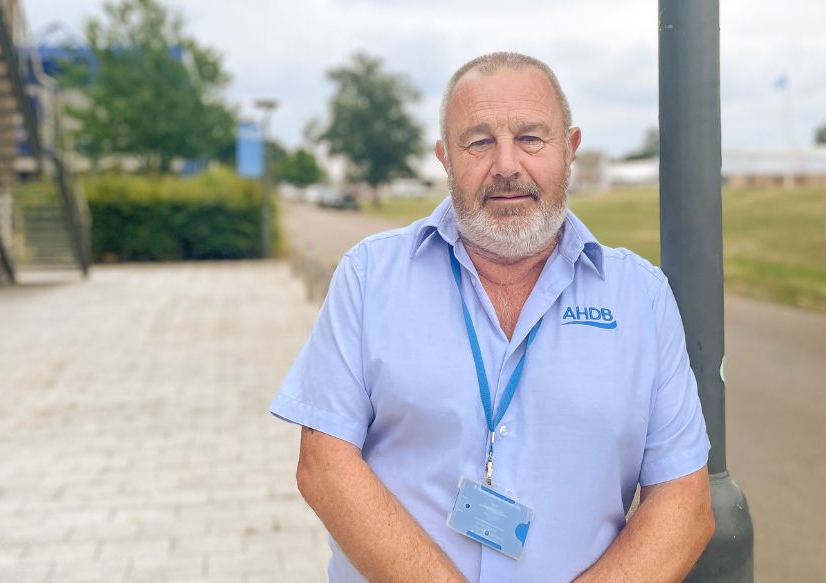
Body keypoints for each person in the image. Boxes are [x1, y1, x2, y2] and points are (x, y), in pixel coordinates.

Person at [269, 52, 714, 582]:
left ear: (569, 149)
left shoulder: (641, 296)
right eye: (479, 142)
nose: (506, 164)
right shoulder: (368, 277)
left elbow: (685, 502)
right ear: (445, 157)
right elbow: (324, 466)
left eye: (531, 138)